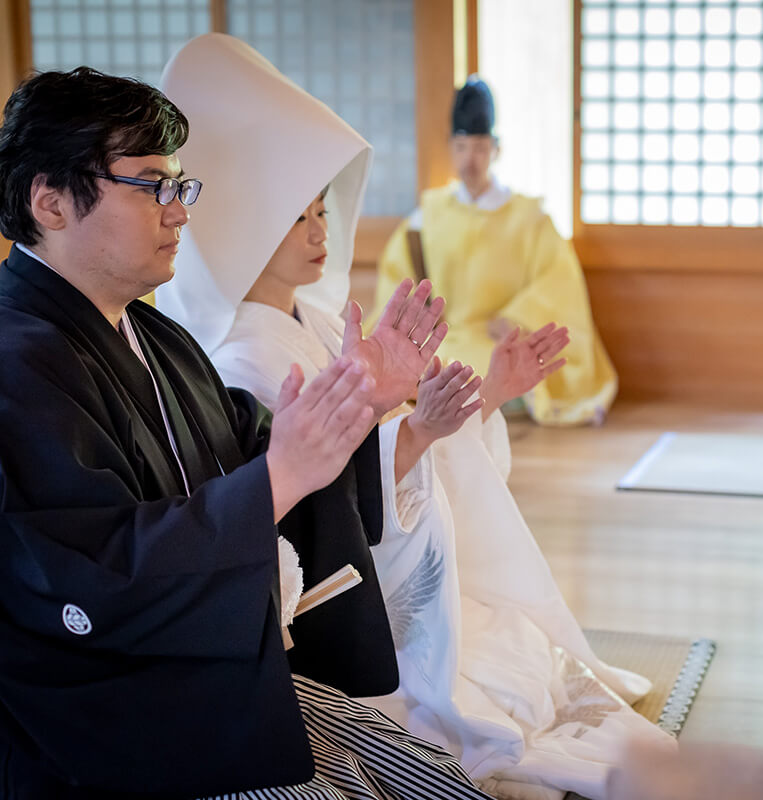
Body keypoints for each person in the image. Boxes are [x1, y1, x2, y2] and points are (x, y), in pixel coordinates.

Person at [157, 33, 674, 800]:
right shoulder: (242, 361)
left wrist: (483, 394)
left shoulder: (321, 324)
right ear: (250, 227)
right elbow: (325, 508)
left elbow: (402, 443)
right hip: (344, 602)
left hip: (389, 561)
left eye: (321, 210)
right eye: (296, 215)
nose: (320, 230)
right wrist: (420, 427)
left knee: (523, 663)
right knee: (497, 690)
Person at [0, 65, 491, 800]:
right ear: (51, 201)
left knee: (433, 778)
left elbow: (266, 456)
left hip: (216, 678)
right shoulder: (15, 366)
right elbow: (92, 577)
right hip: (107, 731)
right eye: (153, 187)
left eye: (181, 187)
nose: (180, 214)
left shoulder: (158, 339)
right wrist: (283, 476)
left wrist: (360, 409)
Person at [370, 76, 617, 427]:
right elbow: (399, 277)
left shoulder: (530, 218)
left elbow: (557, 279)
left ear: (496, 150)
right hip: (444, 337)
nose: (470, 160)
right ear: (450, 148)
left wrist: (518, 318)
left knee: (495, 365)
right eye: (461, 148)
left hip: (496, 338)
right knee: (429, 363)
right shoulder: (426, 217)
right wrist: (418, 323)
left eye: (480, 148)